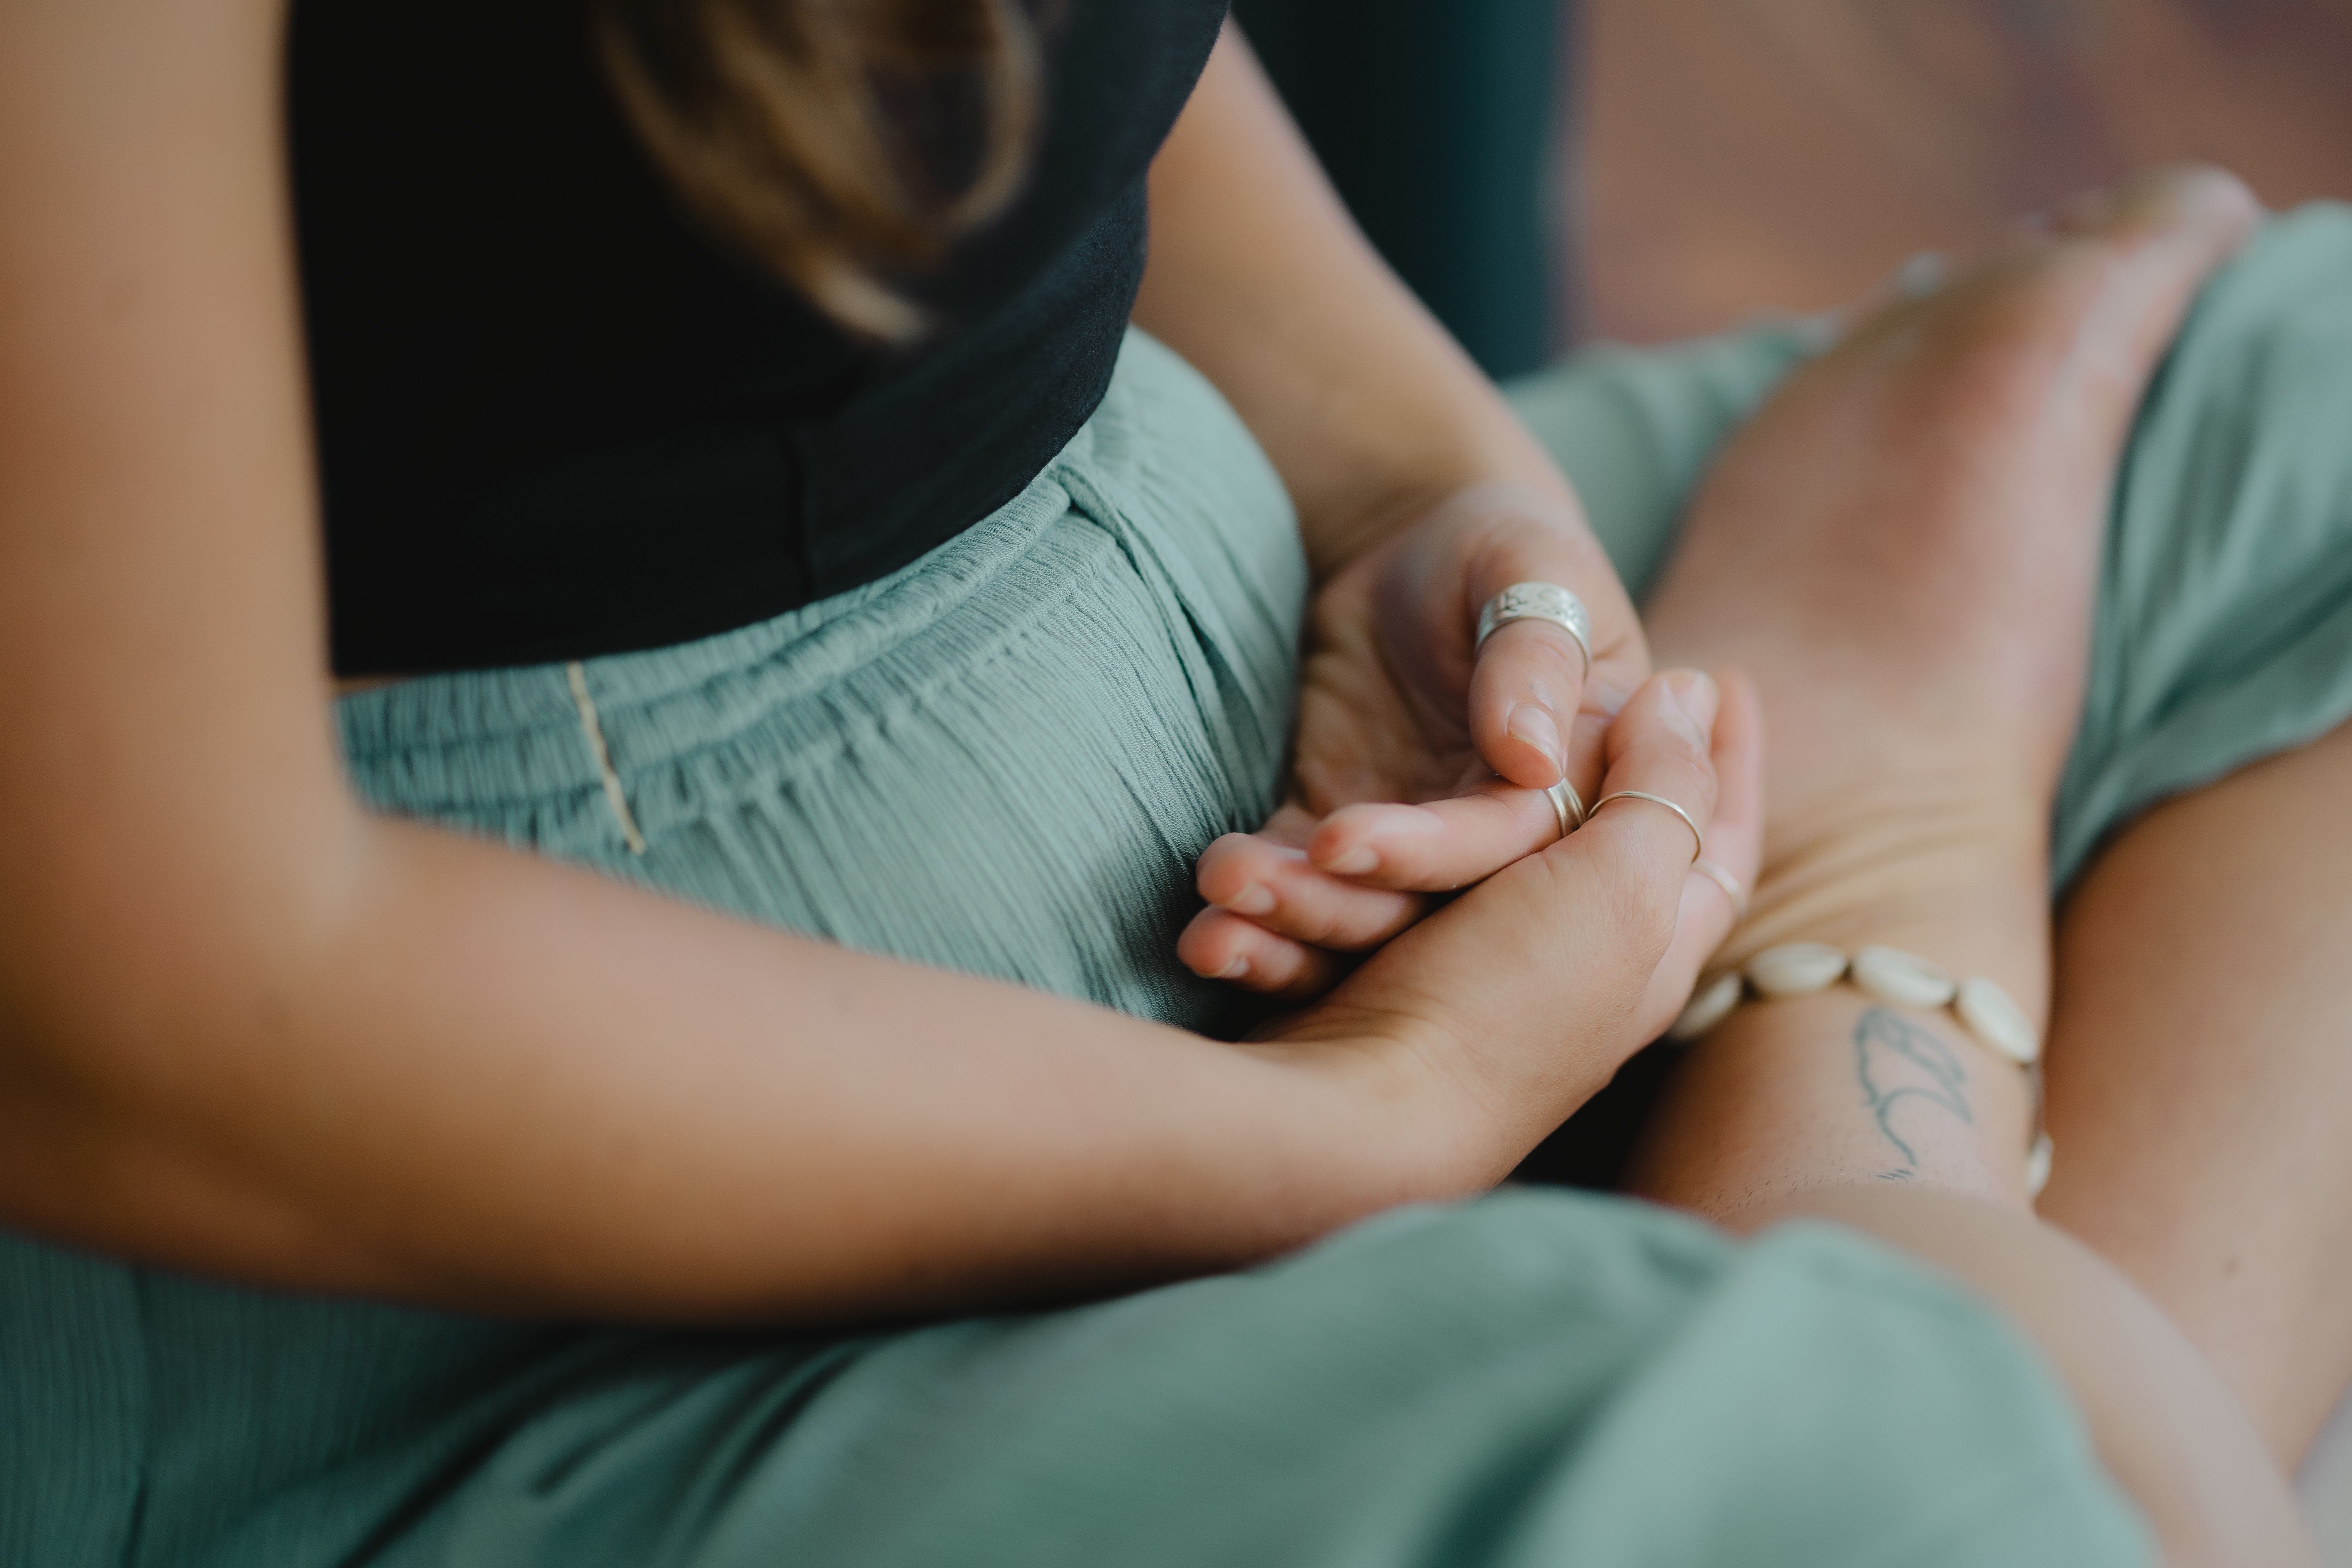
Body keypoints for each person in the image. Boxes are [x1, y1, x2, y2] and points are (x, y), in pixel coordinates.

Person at [0, 2, 2339, 1563]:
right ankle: (1864, 1022)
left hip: (1225, 686)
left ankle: (1849, 1222)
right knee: (1884, 1489)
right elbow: (161, 1011)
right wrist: (1372, 1128)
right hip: (455, 1259)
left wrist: (1433, 494)